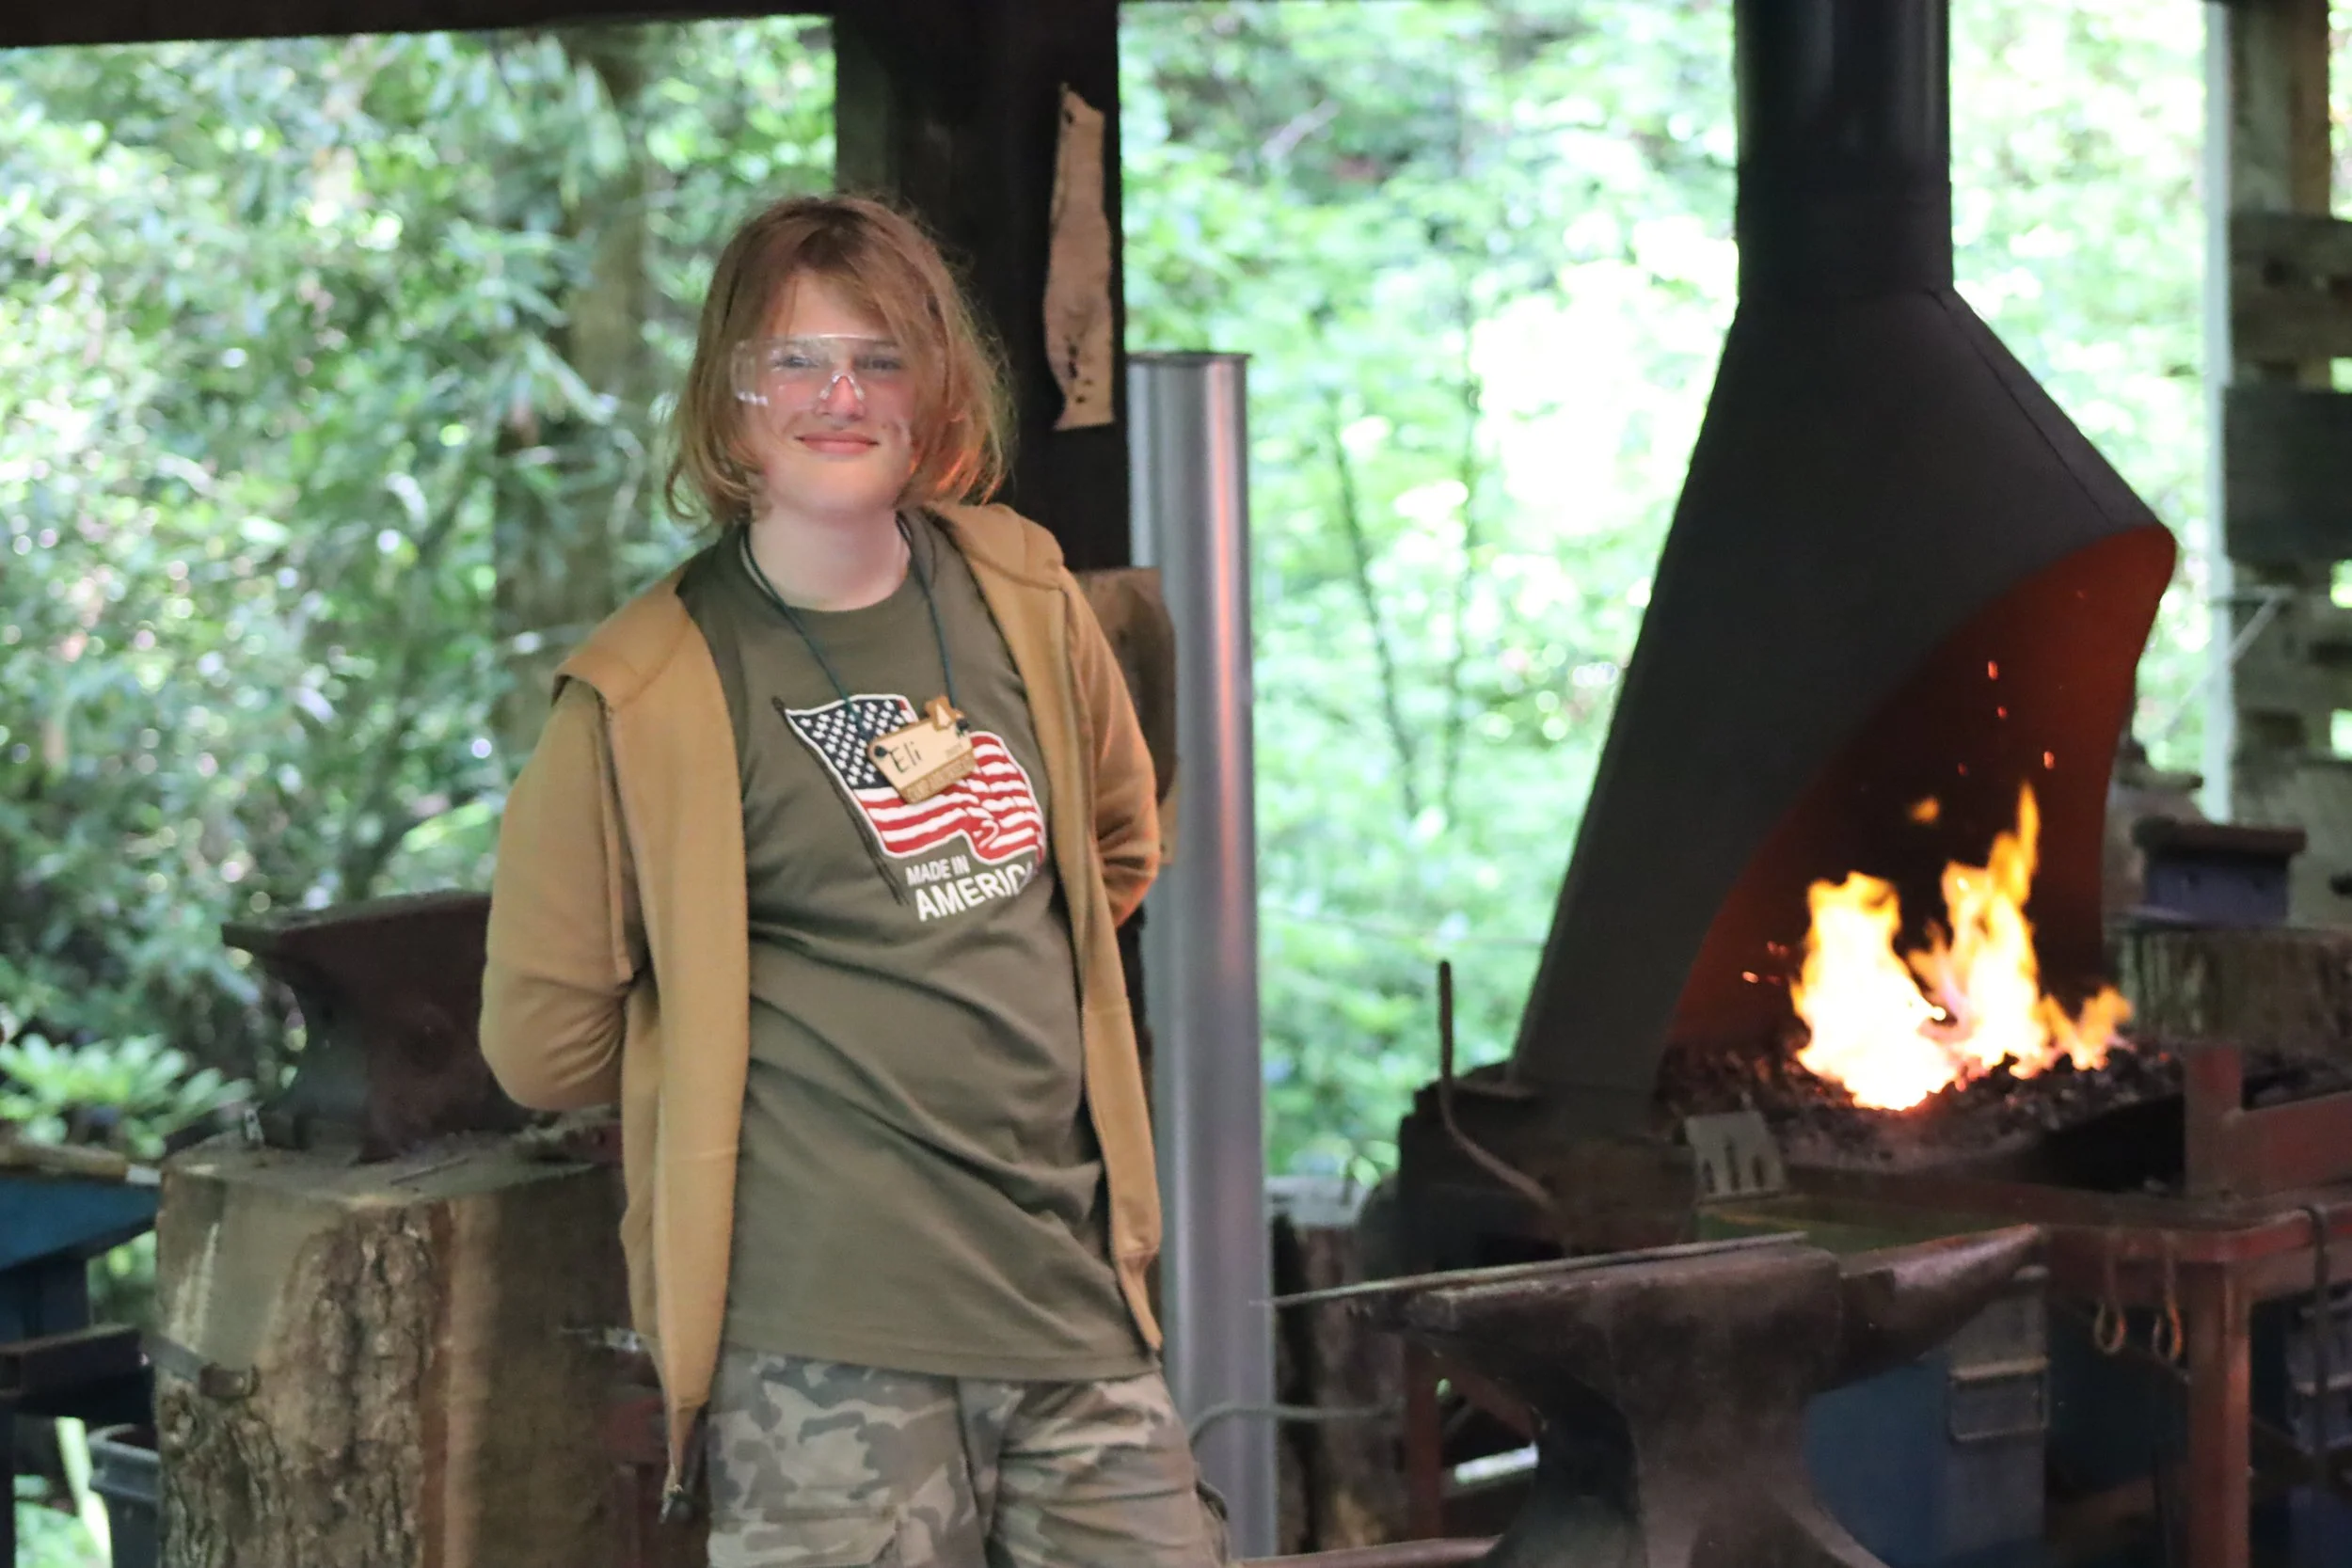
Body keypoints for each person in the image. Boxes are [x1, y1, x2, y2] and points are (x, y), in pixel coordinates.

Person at [479, 193, 1225, 1568]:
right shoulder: (639, 693)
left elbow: (1115, 846)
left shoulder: (1024, 588)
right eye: (794, 361)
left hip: (1070, 1299)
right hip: (822, 1341)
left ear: (932, 387)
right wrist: (713, 1037)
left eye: (879, 358)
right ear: (731, 396)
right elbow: (545, 1039)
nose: (839, 394)